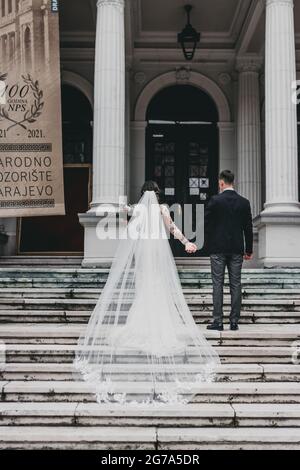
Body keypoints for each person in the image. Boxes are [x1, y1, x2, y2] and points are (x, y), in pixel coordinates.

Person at [74, 181, 220, 406]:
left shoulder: (138, 210)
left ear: (143, 194)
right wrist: (186, 242)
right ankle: (159, 327)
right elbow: (172, 228)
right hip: (159, 259)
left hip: (143, 258)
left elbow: (129, 230)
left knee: (144, 289)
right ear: (158, 194)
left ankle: (140, 326)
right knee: (158, 289)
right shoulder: (162, 209)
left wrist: (123, 209)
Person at [205, 170, 253, 331]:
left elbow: (207, 225)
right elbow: (248, 228)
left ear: (221, 183)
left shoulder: (215, 201)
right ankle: (234, 322)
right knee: (236, 284)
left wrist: (208, 244)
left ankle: (218, 321)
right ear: (233, 182)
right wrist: (249, 249)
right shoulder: (244, 202)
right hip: (237, 249)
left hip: (217, 248)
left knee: (217, 284)